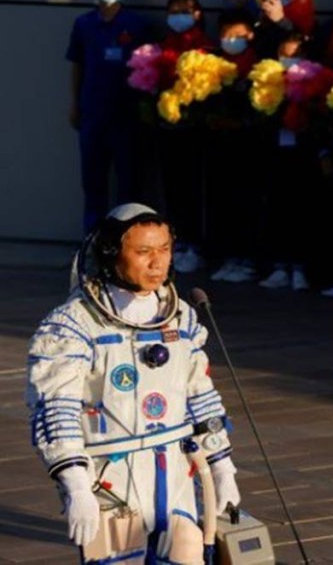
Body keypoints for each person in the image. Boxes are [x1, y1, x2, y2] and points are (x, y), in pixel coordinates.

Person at [26, 204, 240, 562]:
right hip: (112, 477)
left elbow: (199, 396)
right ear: (111, 254)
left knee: (187, 552)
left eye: (165, 249)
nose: (157, 263)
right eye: (143, 252)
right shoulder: (73, 325)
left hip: (175, 472)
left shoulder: (181, 317)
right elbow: (55, 410)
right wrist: (76, 485)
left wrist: (222, 467)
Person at [66, 0, 147, 232]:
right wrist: (75, 104)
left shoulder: (137, 24)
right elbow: (77, 65)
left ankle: (126, 238)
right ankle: (94, 238)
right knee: (93, 183)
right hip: (93, 115)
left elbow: (149, 66)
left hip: (127, 116)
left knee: (128, 184)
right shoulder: (84, 24)